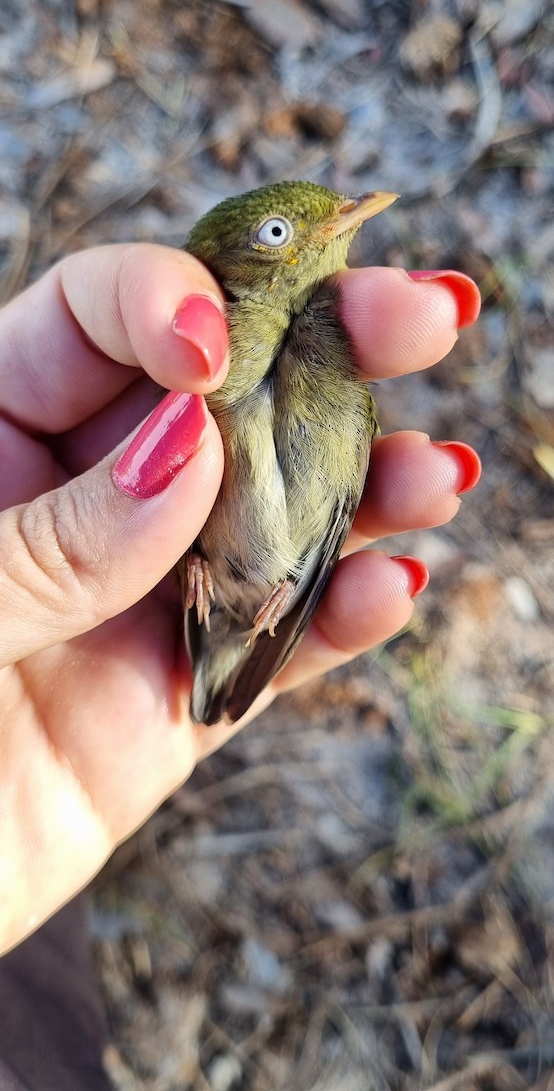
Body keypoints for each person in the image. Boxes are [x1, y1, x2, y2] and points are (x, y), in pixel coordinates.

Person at [0, 244, 481, 1088]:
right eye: (279, 234)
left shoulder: (340, 394)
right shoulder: (208, 351)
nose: (336, 229)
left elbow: (332, 524)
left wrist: (286, 599)